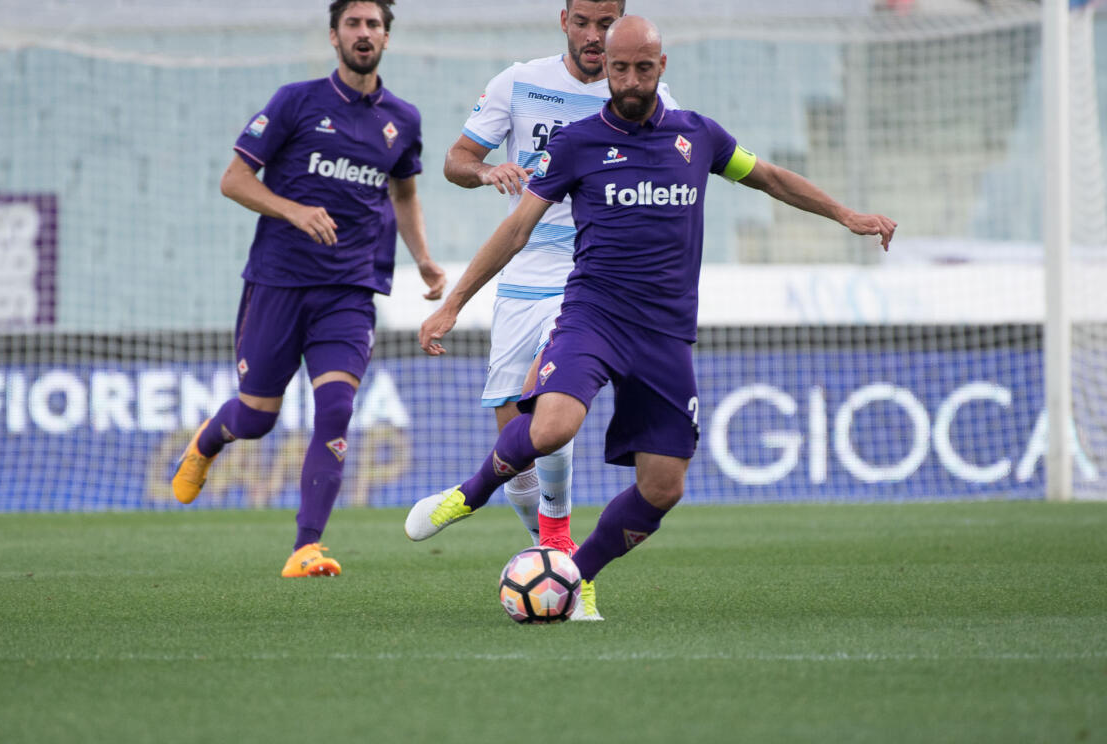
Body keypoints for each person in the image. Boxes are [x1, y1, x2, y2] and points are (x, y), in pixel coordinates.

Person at [405, 15, 896, 609]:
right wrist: (453, 304)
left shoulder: (699, 136)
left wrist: (846, 215)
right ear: (605, 69)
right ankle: (472, 493)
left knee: (663, 487)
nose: (631, 81)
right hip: (592, 316)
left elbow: (768, 177)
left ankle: (576, 575)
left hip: (664, 336)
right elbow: (515, 231)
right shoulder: (578, 143)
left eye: (643, 68)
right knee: (554, 425)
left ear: (661, 68)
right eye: (620, 69)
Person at [172, 0, 445, 578]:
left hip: (349, 289)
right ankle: (208, 440)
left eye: (374, 25)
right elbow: (235, 179)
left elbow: (405, 195)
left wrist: (423, 260)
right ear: (334, 35)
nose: (364, 33)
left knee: (338, 408)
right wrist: (293, 211)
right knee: (257, 418)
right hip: (279, 282)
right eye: (354, 23)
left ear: (387, 40)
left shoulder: (404, 119)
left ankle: (306, 547)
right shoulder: (296, 101)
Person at [443, 0, 675, 620]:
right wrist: (489, 170)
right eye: (585, 23)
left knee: (546, 402)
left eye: (607, 24)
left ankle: (560, 553)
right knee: (514, 446)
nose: (596, 37)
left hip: (595, 278)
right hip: (523, 276)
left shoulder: (650, 93)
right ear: (564, 20)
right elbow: (454, 162)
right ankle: (557, 558)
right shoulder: (517, 83)